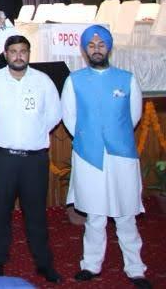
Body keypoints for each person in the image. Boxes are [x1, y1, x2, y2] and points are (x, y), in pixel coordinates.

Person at [63, 25, 150, 288]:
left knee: (126, 214)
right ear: (85, 49)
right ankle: (91, 265)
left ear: (108, 47)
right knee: (95, 216)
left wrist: (114, 136)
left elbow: (133, 116)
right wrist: (90, 138)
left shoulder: (127, 79)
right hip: (89, 155)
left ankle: (136, 269)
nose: (97, 49)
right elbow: (70, 118)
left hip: (121, 155)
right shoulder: (74, 80)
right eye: (92, 45)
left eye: (101, 44)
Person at [0, 35, 62, 282]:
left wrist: (31, 135)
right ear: (5, 54)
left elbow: (54, 116)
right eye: (13, 51)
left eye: (23, 51)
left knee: (36, 213)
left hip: (33, 160)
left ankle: (44, 263)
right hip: (1, 159)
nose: (18, 56)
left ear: (29, 53)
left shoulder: (43, 81)